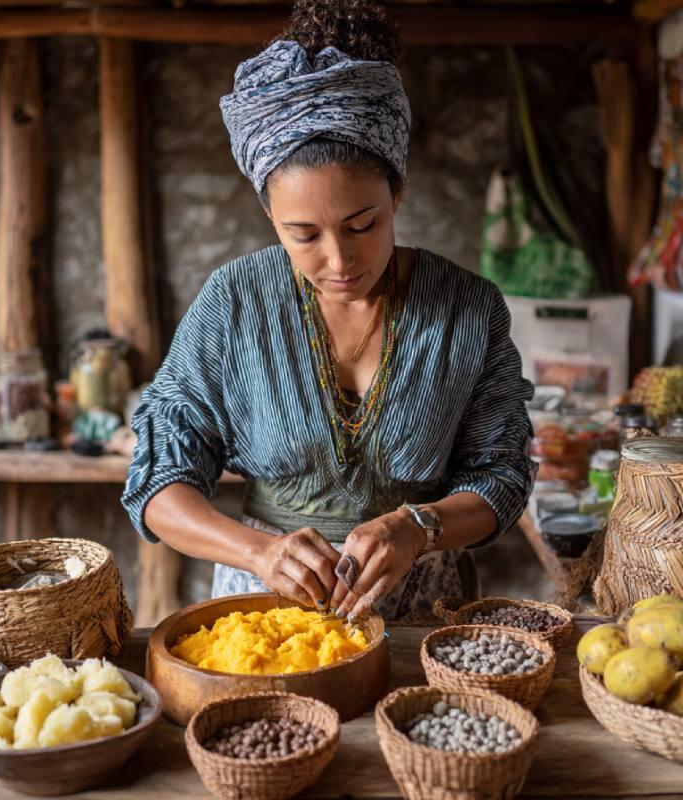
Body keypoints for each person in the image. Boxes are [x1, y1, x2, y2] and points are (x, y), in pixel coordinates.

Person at [122, 0, 534, 623]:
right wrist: (259, 552)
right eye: (304, 234)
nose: (339, 260)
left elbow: (501, 477)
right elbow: (157, 484)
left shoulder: (467, 309)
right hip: (264, 615)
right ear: (270, 216)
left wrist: (418, 525)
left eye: (362, 225)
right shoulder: (234, 302)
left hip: (422, 621)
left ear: (397, 193)